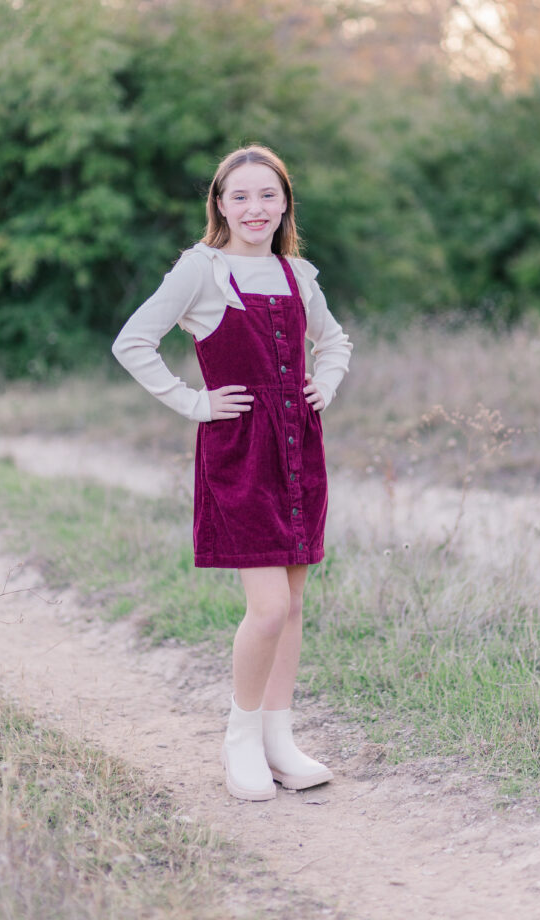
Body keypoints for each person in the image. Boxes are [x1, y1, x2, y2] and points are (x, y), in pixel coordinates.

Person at [112, 145, 352, 801]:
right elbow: (132, 341)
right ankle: (240, 739)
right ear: (219, 203)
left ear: (284, 203)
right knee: (268, 606)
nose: (255, 208)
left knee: (294, 604)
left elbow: (333, 341)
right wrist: (194, 402)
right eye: (239, 196)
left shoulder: (296, 273)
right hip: (239, 453)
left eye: (267, 195)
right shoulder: (202, 270)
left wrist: (324, 384)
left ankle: (280, 740)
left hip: (298, 449)